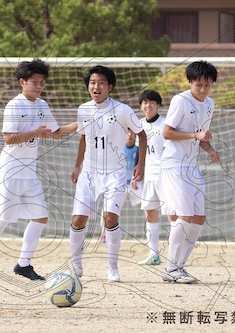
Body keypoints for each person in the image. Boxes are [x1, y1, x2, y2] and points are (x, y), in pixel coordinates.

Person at [0, 58, 77, 281]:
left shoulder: (42, 105)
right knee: (2, 218)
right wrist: (35, 132)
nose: (39, 86)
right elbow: (9, 138)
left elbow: (55, 132)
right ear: (22, 82)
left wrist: (80, 123)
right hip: (11, 170)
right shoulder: (14, 105)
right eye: (35, 81)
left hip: (29, 172)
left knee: (41, 216)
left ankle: (23, 264)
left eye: (42, 82)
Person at [70, 65, 147, 282]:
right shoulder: (83, 109)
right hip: (89, 173)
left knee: (110, 218)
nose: (96, 86)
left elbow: (142, 135)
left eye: (101, 82)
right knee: (78, 220)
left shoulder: (122, 110)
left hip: (115, 173)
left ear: (110, 87)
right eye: (93, 82)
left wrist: (140, 164)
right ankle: (76, 267)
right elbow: (84, 138)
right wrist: (77, 166)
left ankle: (112, 268)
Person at [159, 60, 220, 284]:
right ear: (190, 82)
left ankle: (179, 267)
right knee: (184, 215)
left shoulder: (209, 104)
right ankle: (170, 268)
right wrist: (196, 136)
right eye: (198, 85)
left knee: (199, 218)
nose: (203, 90)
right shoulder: (180, 101)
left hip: (191, 166)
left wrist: (210, 150)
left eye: (207, 85)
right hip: (174, 164)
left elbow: (201, 135)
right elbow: (167, 133)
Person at [135, 90, 176, 265]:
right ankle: (154, 255)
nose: (148, 105)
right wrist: (136, 173)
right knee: (150, 214)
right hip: (149, 177)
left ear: (158, 105)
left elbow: (172, 151)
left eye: (152, 102)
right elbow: (139, 151)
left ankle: (175, 256)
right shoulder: (140, 124)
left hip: (165, 176)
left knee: (172, 216)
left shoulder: (165, 125)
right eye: (144, 102)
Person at [99, 129, 142, 243]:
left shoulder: (138, 150)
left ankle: (152, 234)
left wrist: (136, 178)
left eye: (132, 133)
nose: (129, 135)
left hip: (134, 184)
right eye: (127, 133)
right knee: (108, 208)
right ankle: (104, 234)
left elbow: (140, 165)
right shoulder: (118, 149)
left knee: (150, 205)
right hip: (119, 184)